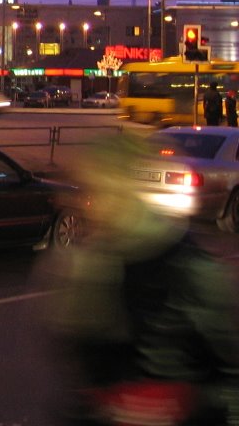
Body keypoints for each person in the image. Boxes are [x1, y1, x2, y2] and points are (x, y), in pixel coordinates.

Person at [49, 134, 239, 425]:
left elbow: (228, 373)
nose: (89, 205)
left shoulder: (189, 268)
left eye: (100, 192)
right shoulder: (87, 264)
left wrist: (184, 403)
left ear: (125, 193)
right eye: (88, 192)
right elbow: (80, 366)